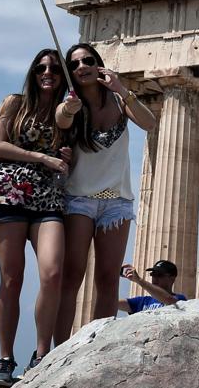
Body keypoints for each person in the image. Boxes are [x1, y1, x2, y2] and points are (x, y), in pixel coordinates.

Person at [0, 49, 71, 386]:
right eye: (41, 68)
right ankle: (5, 359)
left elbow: (70, 160)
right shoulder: (14, 103)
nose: (48, 73)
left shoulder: (67, 114)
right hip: (10, 192)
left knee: (52, 272)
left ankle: (41, 354)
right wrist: (41, 157)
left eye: (55, 70)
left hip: (48, 197)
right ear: (33, 72)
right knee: (11, 279)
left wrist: (65, 157)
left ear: (63, 77)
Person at [53, 43, 156, 344]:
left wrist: (123, 90)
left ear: (98, 64)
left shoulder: (118, 100)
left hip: (117, 202)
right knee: (72, 276)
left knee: (109, 278)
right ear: (70, 72)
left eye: (88, 60)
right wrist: (69, 108)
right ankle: (55, 351)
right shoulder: (71, 104)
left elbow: (150, 123)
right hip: (79, 199)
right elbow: (61, 118)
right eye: (75, 64)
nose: (82, 66)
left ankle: (98, 347)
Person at [118, 260, 186, 314]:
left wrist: (139, 280)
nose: (155, 278)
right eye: (153, 274)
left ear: (172, 278)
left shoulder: (180, 299)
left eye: (159, 275)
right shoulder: (143, 301)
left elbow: (168, 299)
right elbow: (115, 303)